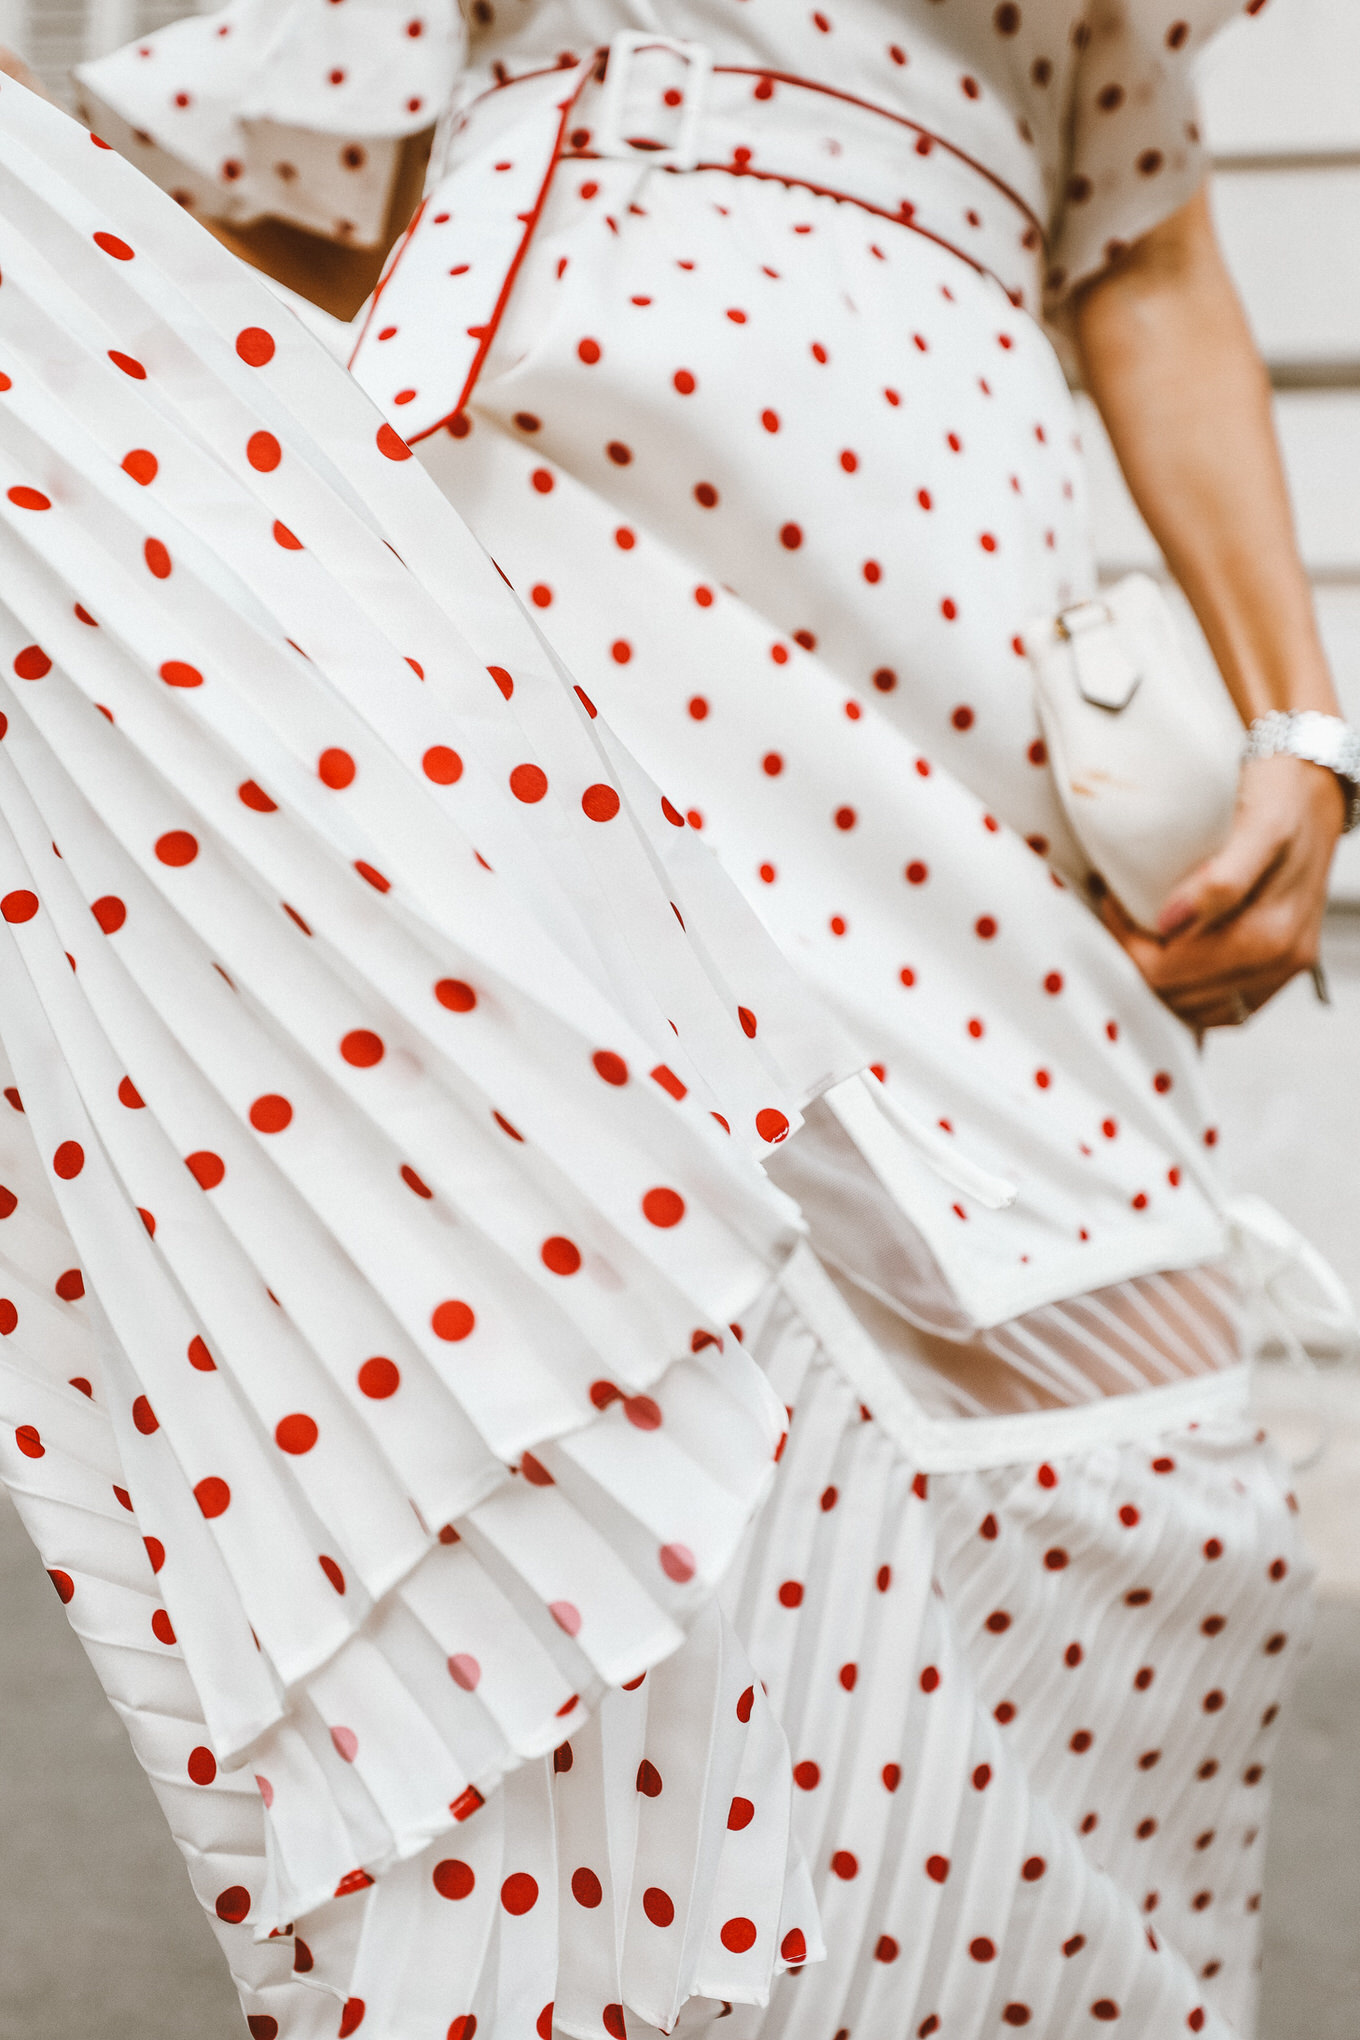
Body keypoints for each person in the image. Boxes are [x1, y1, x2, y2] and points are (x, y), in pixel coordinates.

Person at [0, 4, 1345, 2037]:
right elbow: (301, 215)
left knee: (1121, 1395)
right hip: (588, 498)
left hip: (964, 576)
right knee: (634, 1322)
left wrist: (1302, 730)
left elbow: (1142, 248)